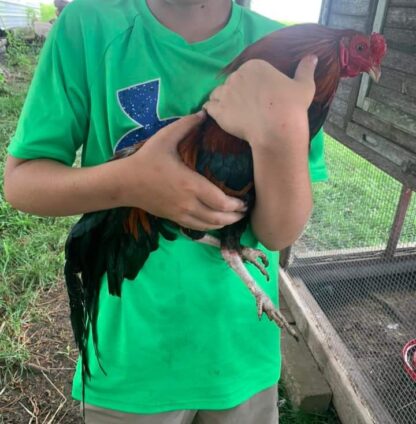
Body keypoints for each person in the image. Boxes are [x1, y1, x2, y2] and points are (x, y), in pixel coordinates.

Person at [3, 0, 327, 422]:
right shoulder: (89, 26)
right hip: (131, 362)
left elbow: (277, 234)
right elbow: (21, 181)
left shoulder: (287, 50)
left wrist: (284, 133)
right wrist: (133, 183)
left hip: (240, 352)